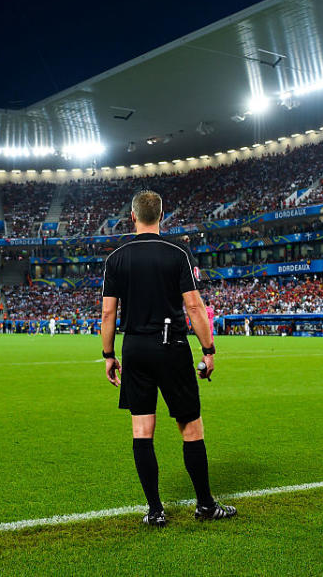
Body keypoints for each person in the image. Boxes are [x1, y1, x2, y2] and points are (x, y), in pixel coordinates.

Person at [101, 190, 235, 527]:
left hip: (135, 348)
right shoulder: (178, 252)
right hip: (171, 345)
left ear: (133, 217)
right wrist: (209, 350)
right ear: (162, 215)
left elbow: (107, 313)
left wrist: (108, 355)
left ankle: (155, 510)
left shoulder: (115, 257)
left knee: (142, 429)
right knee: (190, 427)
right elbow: (193, 306)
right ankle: (205, 505)